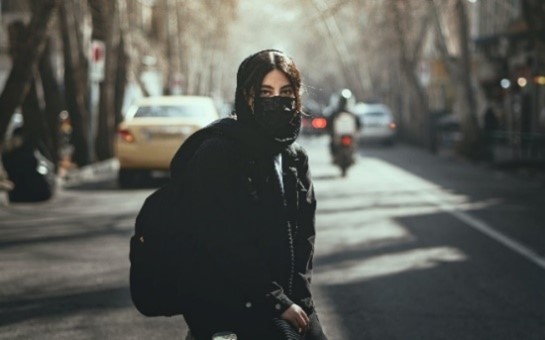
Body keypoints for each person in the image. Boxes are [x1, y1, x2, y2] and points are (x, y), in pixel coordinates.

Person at [172, 50, 328, 339]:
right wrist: (276, 301)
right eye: (265, 92)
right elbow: (221, 238)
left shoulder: (295, 157)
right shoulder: (217, 151)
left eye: (285, 92)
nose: (276, 101)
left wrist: (299, 300)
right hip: (229, 304)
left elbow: (304, 235)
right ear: (247, 96)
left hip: (290, 303)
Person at [326, 88, 360, 156]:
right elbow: (329, 124)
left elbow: (358, 124)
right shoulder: (335, 113)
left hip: (348, 135)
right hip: (338, 136)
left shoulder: (352, 114)